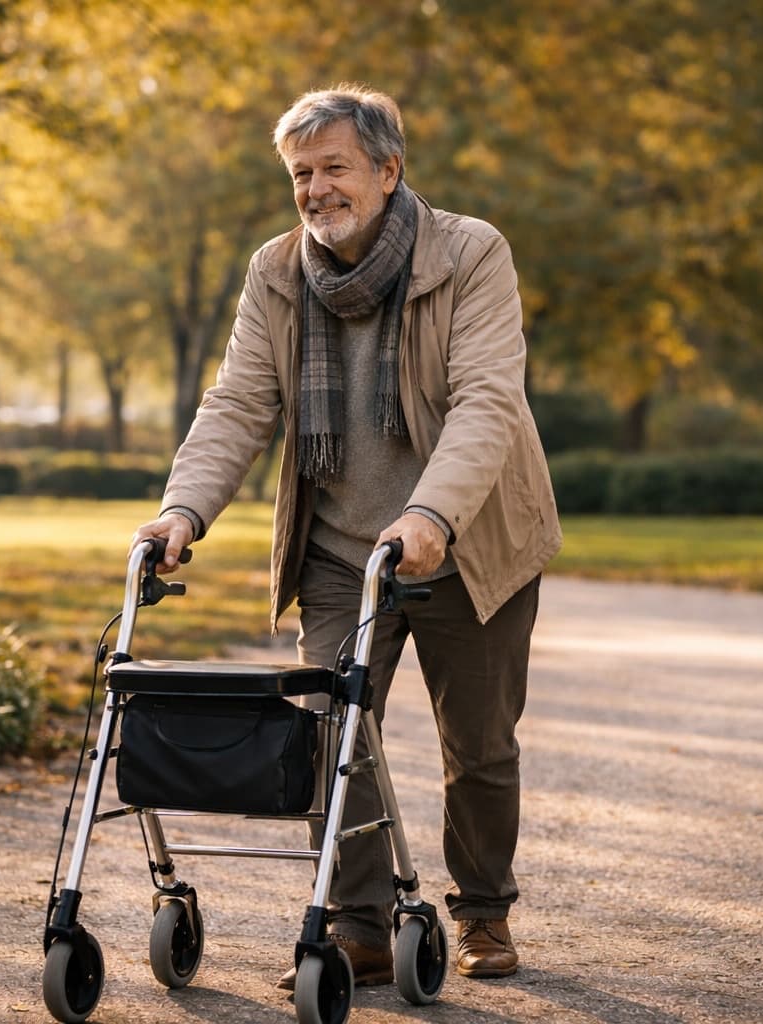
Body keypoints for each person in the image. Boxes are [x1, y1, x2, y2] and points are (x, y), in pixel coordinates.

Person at [130, 83, 561, 987]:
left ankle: (482, 910)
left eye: (334, 168)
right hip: (340, 548)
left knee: (478, 746)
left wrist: (433, 515)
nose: (316, 188)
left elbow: (488, 401)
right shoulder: (277, 271)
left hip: (468, 539)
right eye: (300, 173)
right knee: (334, 731)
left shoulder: (469, 252)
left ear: (387, 168)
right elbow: (240, 402)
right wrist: (183, 509)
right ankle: (360, 927)